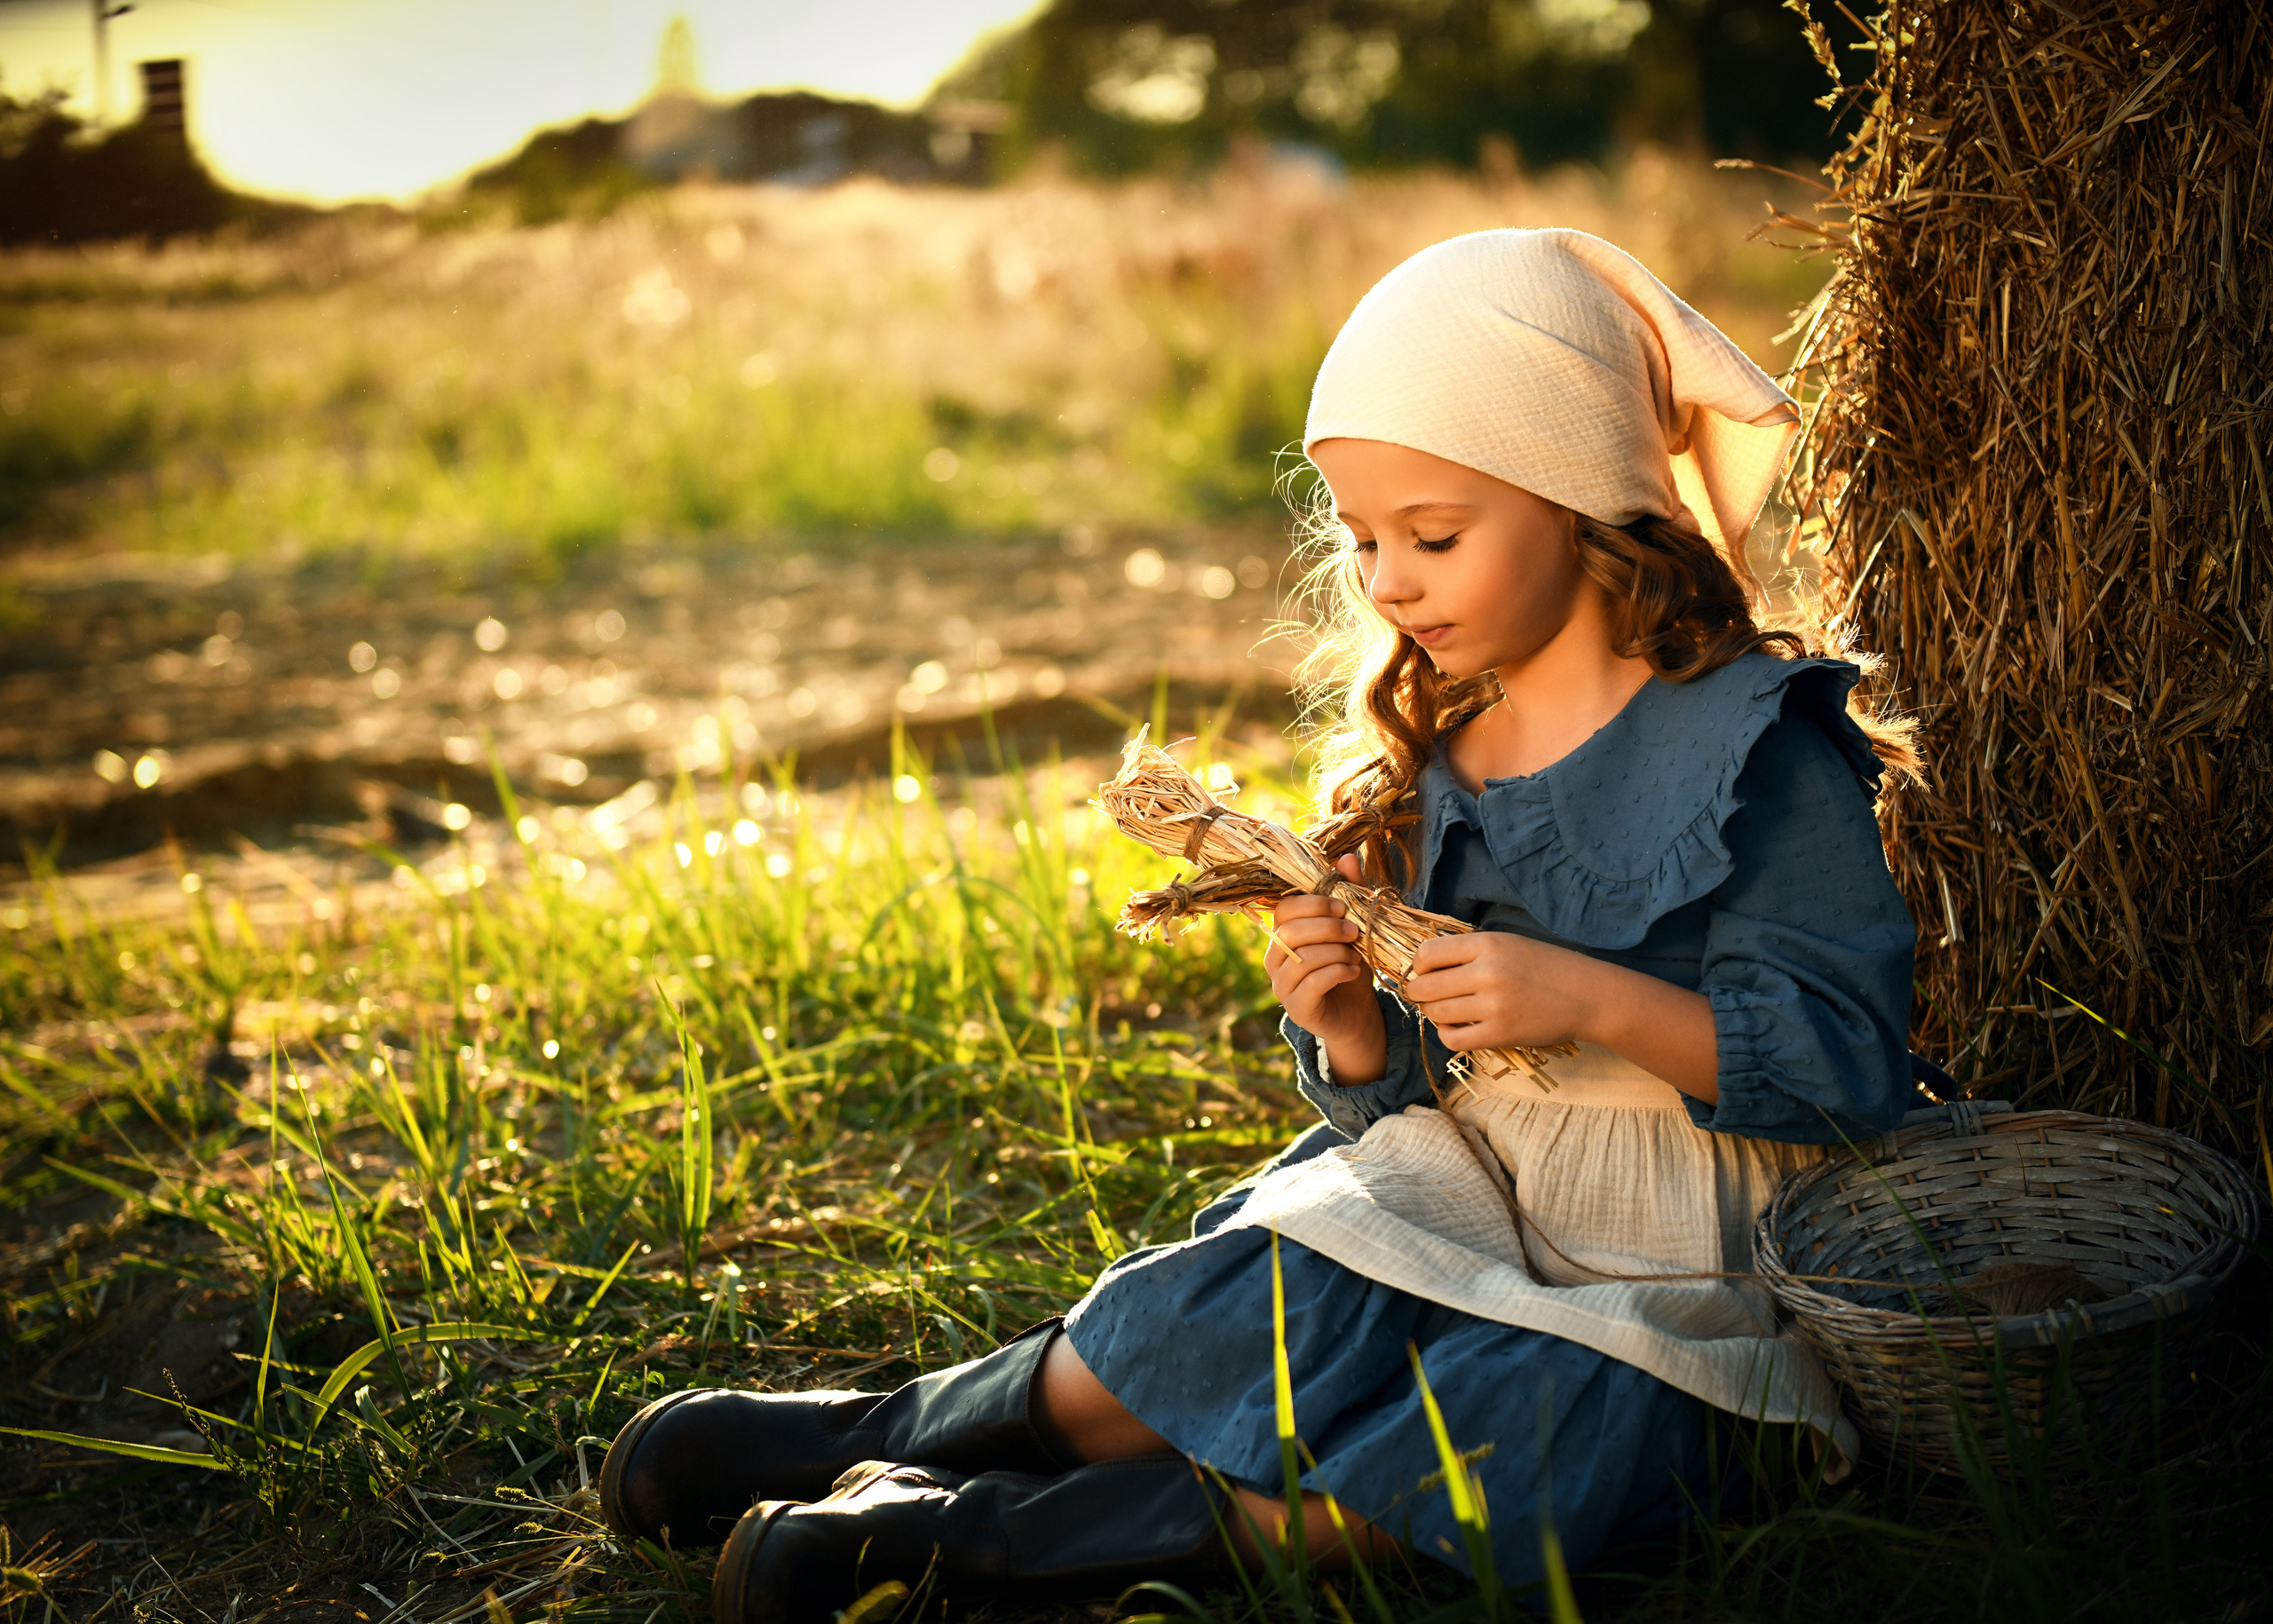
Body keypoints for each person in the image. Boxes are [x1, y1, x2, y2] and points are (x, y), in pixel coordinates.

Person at [597, 228, 1928, 1624]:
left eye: (1434, 534)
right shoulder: (1448, 746)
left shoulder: (1756, 743)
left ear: (1583, 497)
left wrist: (1588, 997)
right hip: (1486, 1189)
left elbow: (1851, 1067)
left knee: (1529, 1431)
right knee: (1251, 1291)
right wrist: (1356, 1036)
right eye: (1360, 540)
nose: (1388, 582)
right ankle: (883, 1430)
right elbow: (1420, 1102)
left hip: (1695, 1262)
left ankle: (980, 1542)